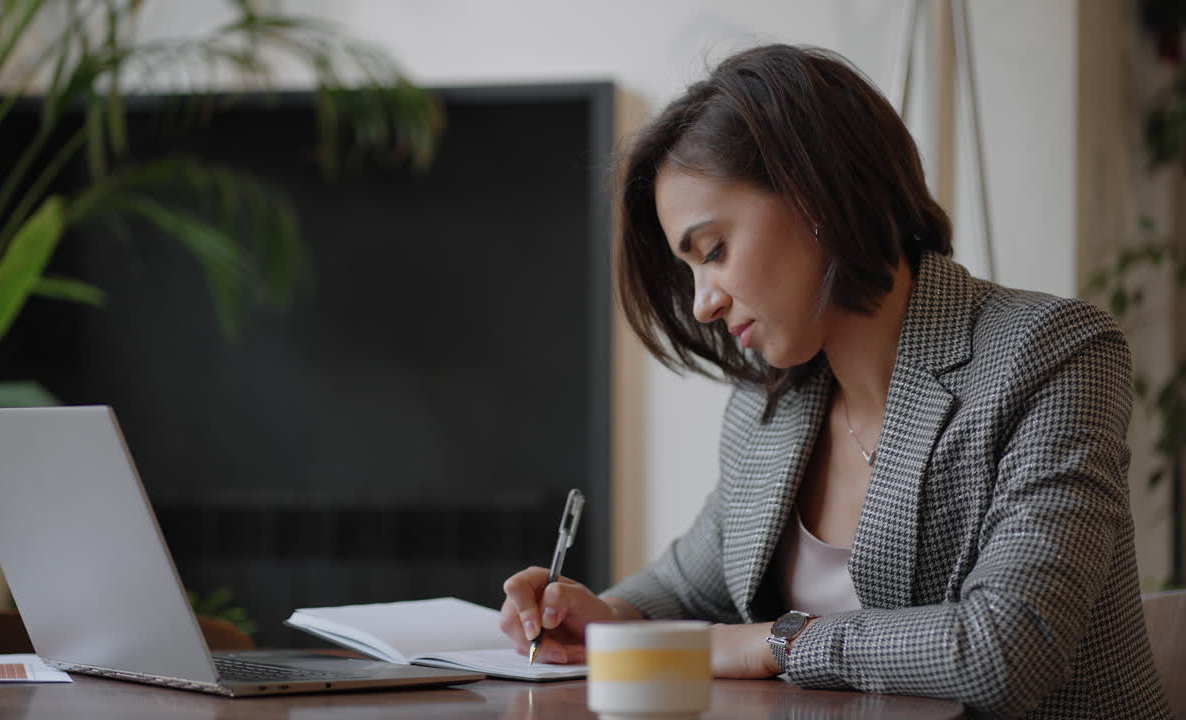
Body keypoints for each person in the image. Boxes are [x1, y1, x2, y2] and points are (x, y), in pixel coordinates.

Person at [498, 44, 1171, 719]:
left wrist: (778, 642)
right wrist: (604, 615)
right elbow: (686, 582)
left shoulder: (1053, 354)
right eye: (691, 272)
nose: (703, 303)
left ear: (817, 191)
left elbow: (1006, 646)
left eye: (714, 252)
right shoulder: (770, 410)